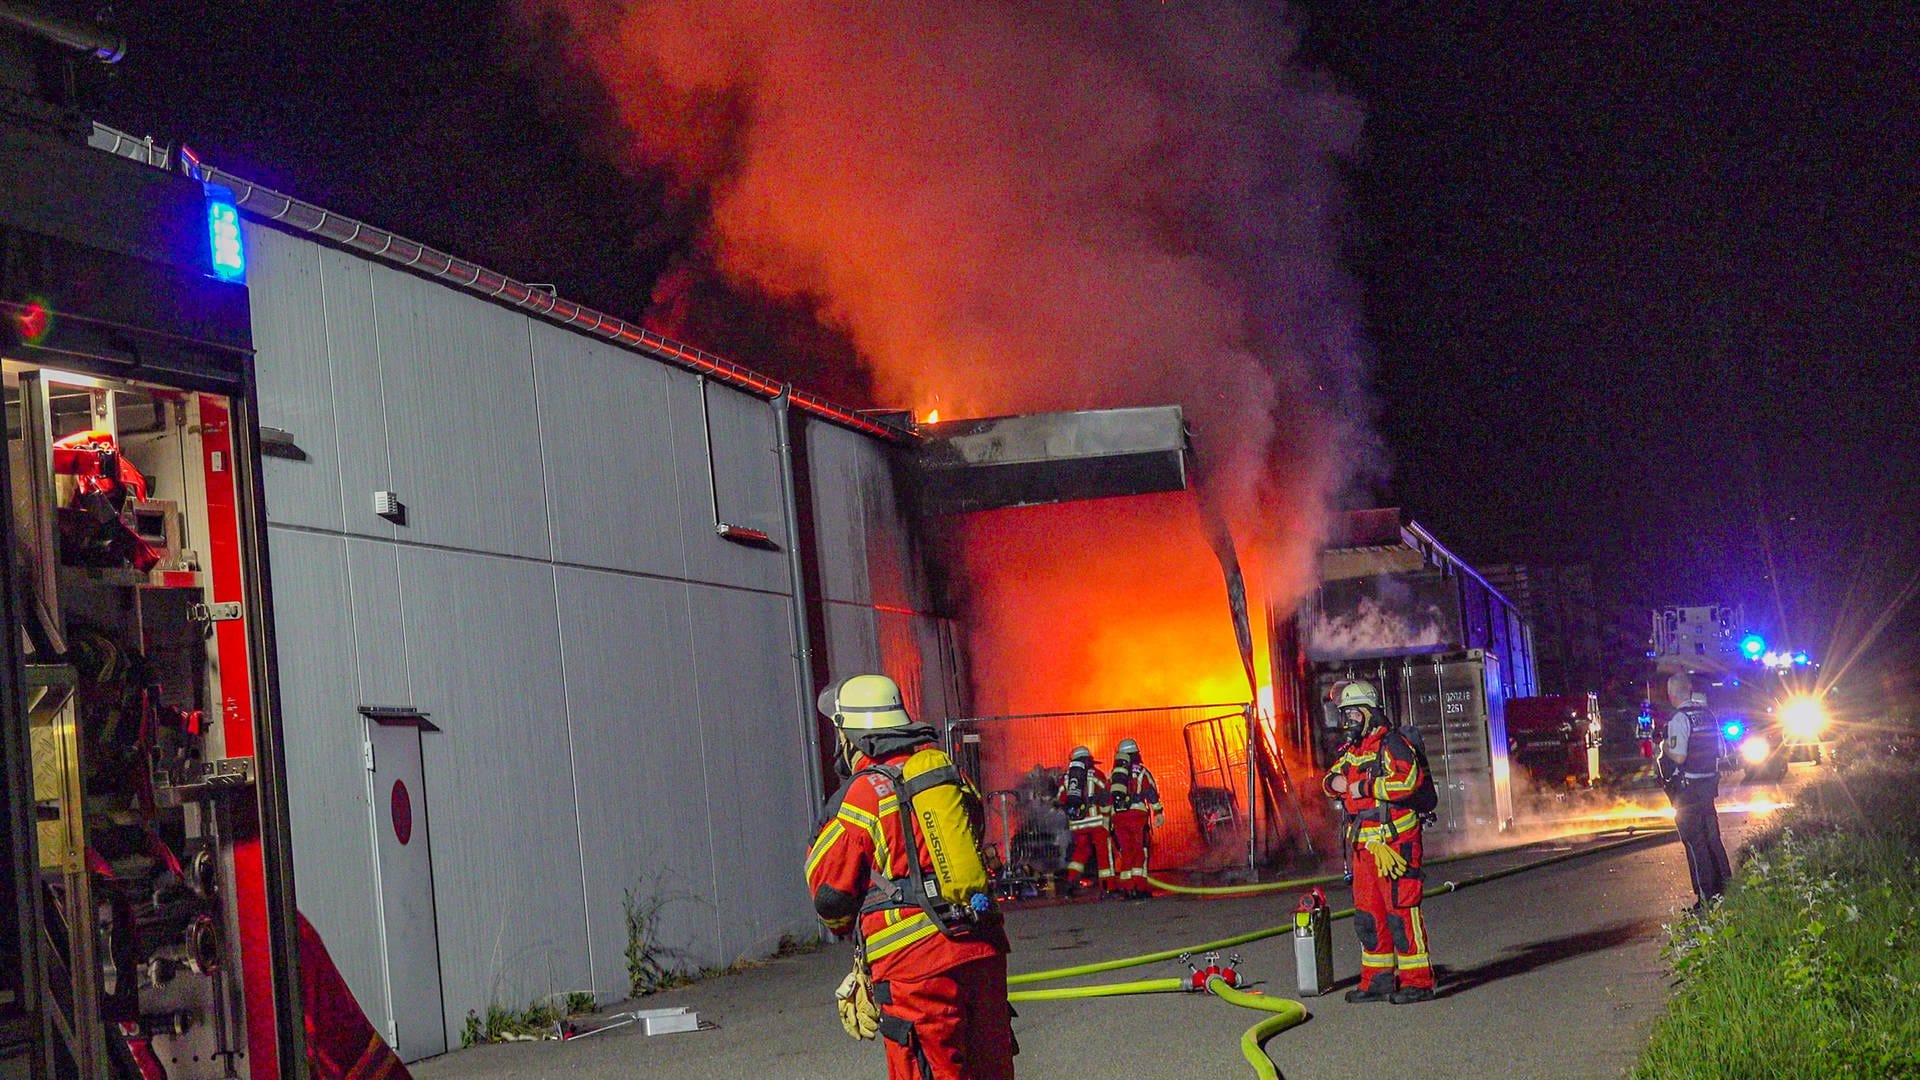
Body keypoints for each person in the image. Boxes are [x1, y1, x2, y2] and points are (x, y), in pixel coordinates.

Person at [806, 674, 1016, 1079]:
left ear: (854, 736)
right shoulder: (946, 774)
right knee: (988, 1069)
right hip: (981, 948)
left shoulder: (866, 793)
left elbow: (830, 893)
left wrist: (845, 930)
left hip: (916, 970)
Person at [1321, 680, 1436, 1004]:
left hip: (1395, 844)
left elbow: (1408, 780)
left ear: (1369, 712)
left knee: (1401, 912)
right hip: (1364, 847)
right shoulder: (1355, 750)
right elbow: (1329, 781)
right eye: (1345, 715)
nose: (1348, 721)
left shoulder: (1392, 743)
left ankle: (1417, 982)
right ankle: (1378, 980)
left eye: (1353, 714)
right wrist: (1336, 782)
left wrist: (1363, 787)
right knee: (1368, 916)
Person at [1659, 671, 1733, 911]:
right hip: (1708, 787)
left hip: (1687, 790)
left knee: (1695, 843)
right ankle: (1728, 891)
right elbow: (1722, 752)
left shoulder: (1679, 719)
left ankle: (1705, 899)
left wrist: (1663, 748)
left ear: (1671, 695)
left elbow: (1678, 756)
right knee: (1713, 839)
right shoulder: (1708, 715)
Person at [1107, 739, 1164, 899]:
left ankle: (1127, 888)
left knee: (1127, 852)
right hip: (1137, 816)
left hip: (1118, 817)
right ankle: (1140, 888)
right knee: (1140, 851)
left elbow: (1108, 797)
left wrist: (1108, 820)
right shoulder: (1142, 772)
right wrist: (1158, 812)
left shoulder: (1113, 774)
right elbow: (1151, 792)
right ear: (1136, 754)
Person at [1055, 745, 1113, 896]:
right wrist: (1107, 817)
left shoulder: (1067, 778)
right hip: (1096, 821)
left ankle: (1071, 881)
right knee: (1103, 852)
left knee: (1080, 852)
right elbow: (1107, 795)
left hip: (1078, 822)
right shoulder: (1096, 774)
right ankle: (1107, 886)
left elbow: (1061, 799)